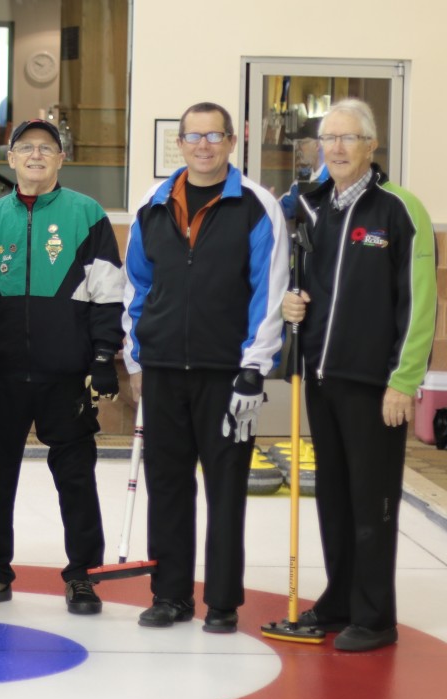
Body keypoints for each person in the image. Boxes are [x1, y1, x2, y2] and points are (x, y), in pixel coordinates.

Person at [123, 101, 289, 634]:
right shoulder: (152, 204)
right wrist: (137, 357)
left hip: (228, 376)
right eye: (193, 136)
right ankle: (169, 595)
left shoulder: (258, 207)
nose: (203, 146)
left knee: (226, 488)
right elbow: (137, 287)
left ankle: (221, 601)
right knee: (168, 487)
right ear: (180, 143)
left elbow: (271, 292)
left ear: (232, 142)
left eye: (213, 136)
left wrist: (254, 367)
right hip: (165, 369)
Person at [280, 98, 436, 652]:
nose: (338, 148)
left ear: (372, 146)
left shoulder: (400, 209)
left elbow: (419, 304)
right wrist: (291, 305)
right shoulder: (312, 207)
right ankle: (340, 598)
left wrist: (403, 379)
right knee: (336, 498)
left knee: (373, 501)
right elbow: (302, 283)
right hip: (321, 377)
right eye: (329, 138)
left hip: (375, 386)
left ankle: (375, 616)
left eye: (349, 138)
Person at [0, 119, 126, 615]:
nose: (35, 155)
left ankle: (83, 576)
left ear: (60, 160)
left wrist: (102, 357)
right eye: (25, 148)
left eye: (46, 149)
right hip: (1, 374)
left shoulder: (87, 214)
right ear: (9, 159)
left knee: (76, 479)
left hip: (66, 377)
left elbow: (107, 292)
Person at [279, 116, 328, 221]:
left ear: (317, 145)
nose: (299, 147)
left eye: (302, 143)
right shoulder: (304, 177)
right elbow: (286, 206)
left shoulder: (335, 179)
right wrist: (268, 203)